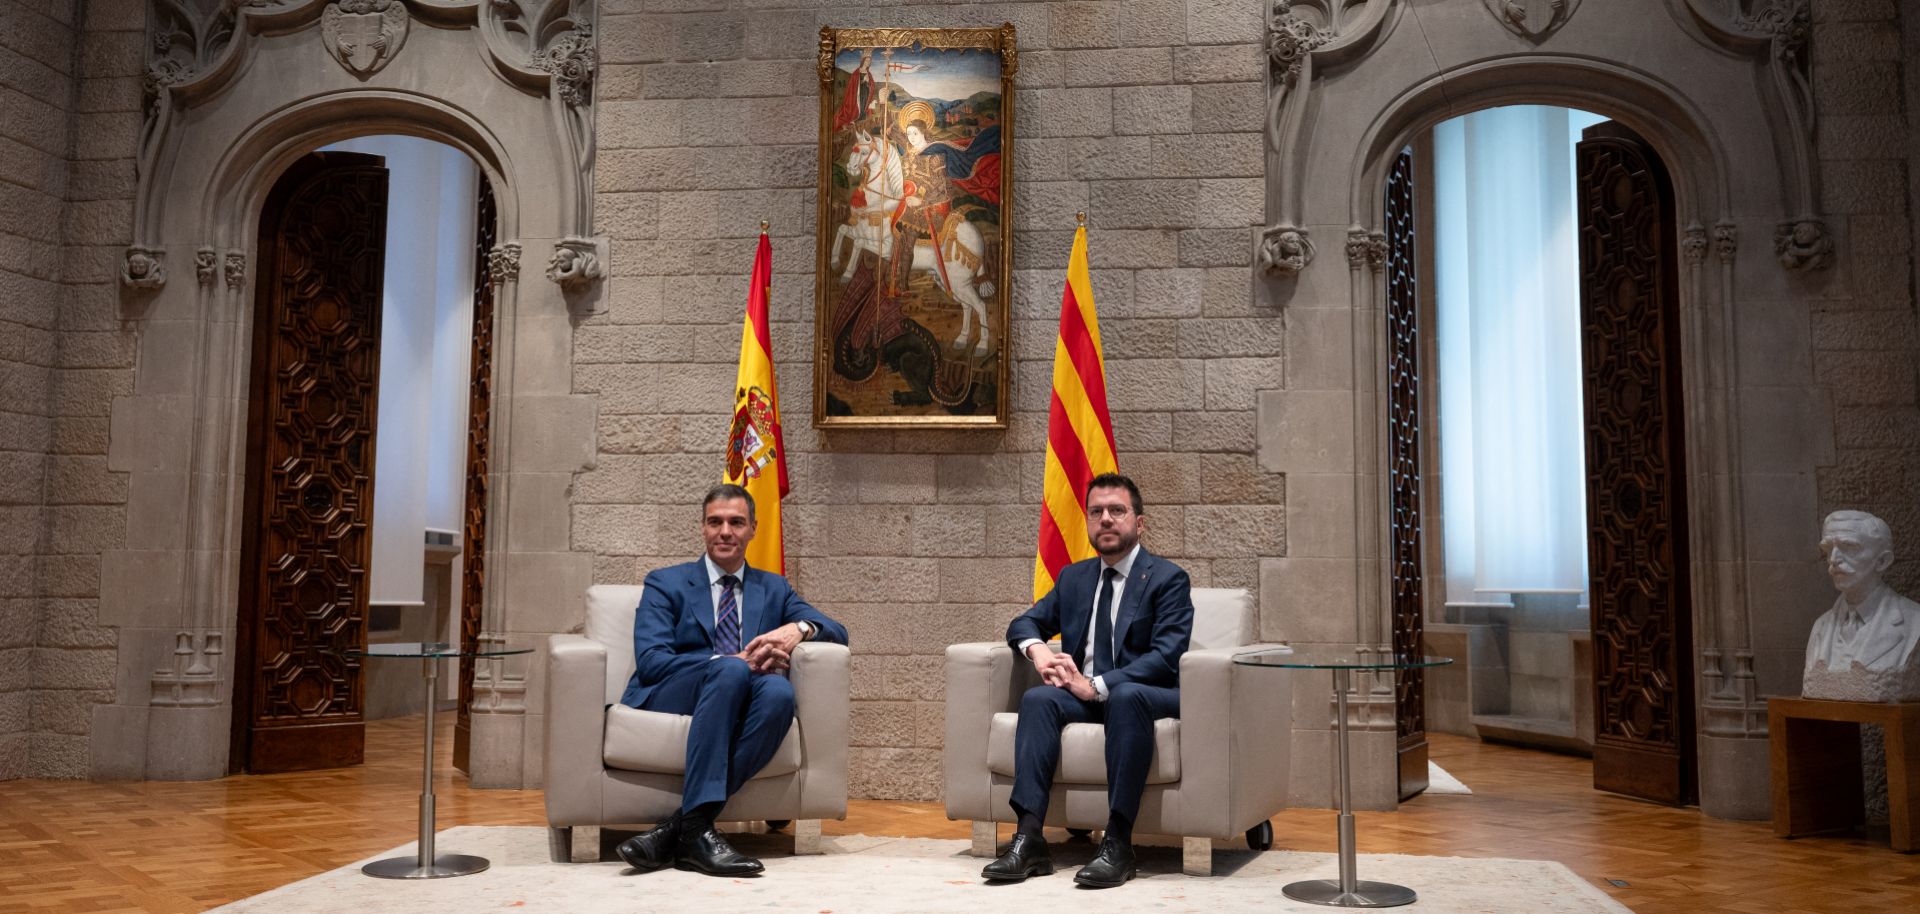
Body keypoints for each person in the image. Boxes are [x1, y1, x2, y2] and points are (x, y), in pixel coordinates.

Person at [613, 484, 849, 877]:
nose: (725, 531)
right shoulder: (665, 583)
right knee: (733, 668)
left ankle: (685, 829)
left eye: (736, 522)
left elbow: (837, 630)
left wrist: (800, 629)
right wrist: (729, 661)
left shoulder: (772, 588)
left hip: (743, 692)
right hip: (674, 690)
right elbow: (653, 662)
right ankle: (692, 830)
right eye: (715, 522)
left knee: (777, 691)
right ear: (702, 528)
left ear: (753, 529)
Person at [984, 473, 1195, 888]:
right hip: (1087, 696)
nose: (1106, 520)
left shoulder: (1168, 579)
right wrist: (1039, 652)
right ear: (1087, 522)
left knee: (1125, 695)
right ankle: (1029, 839)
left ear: (1139, 523)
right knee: (1040, 699)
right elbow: (1024, 623)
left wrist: (1097, 685)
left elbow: (1166, 656)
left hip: (1147, 696)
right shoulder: (1074, 578)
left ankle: (1118, 843)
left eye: (1117, 511)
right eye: (1096, 512)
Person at [1803, 510, 1920, 701]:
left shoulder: (1915, 623)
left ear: (1882, 561)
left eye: (1849, 547)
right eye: (1828, 549)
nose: (1833, 559)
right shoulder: (1820, 627)